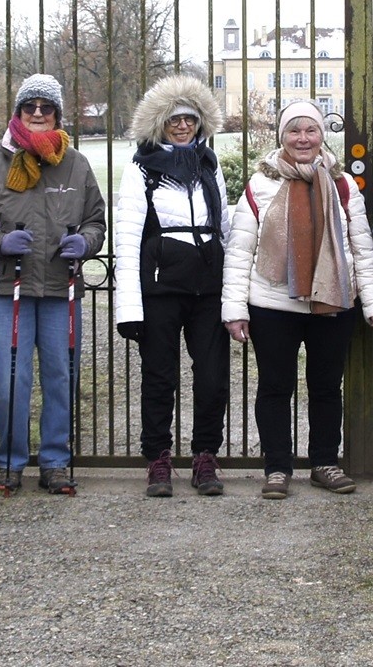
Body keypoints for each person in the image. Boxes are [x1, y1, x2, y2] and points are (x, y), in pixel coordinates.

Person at [222, 101, 373, 499]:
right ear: (282, 137)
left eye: (310, 130)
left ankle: (324, 463)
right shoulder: (260, 185)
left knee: (327, 386)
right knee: (276, 387)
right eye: (294, 131)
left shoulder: (343, 184)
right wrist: (234, 309)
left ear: (321, 136)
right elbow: (240, 251)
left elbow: (362, 247)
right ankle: (277, 468)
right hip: (272, 304)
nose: (303, 138)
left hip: (331, 304)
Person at [0, 74, 106, 495]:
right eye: (29, 106)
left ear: (57, 114)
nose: (37, 113)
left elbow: (95, 220)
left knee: (61, 375)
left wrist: (86, 242)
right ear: (17, 112)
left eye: (46, 107)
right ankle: (9, 461)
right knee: (8, 377)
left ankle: (56, 461)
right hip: (5, 288)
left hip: (60, 286)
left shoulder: (74, 162)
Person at [114, 74, 231, 497]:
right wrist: (129, 308)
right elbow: (127, 235)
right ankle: (158, 459)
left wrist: (235, 292)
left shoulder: (208, 164)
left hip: (208, 286)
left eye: (190, 120)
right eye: (174, 120)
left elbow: (225, 227)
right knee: (160, 376)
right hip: (161, 288)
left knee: (213, 376)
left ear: (200, 123)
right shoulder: (142, 167)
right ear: (160, 123)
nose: (183, 127)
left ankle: (204, 457)